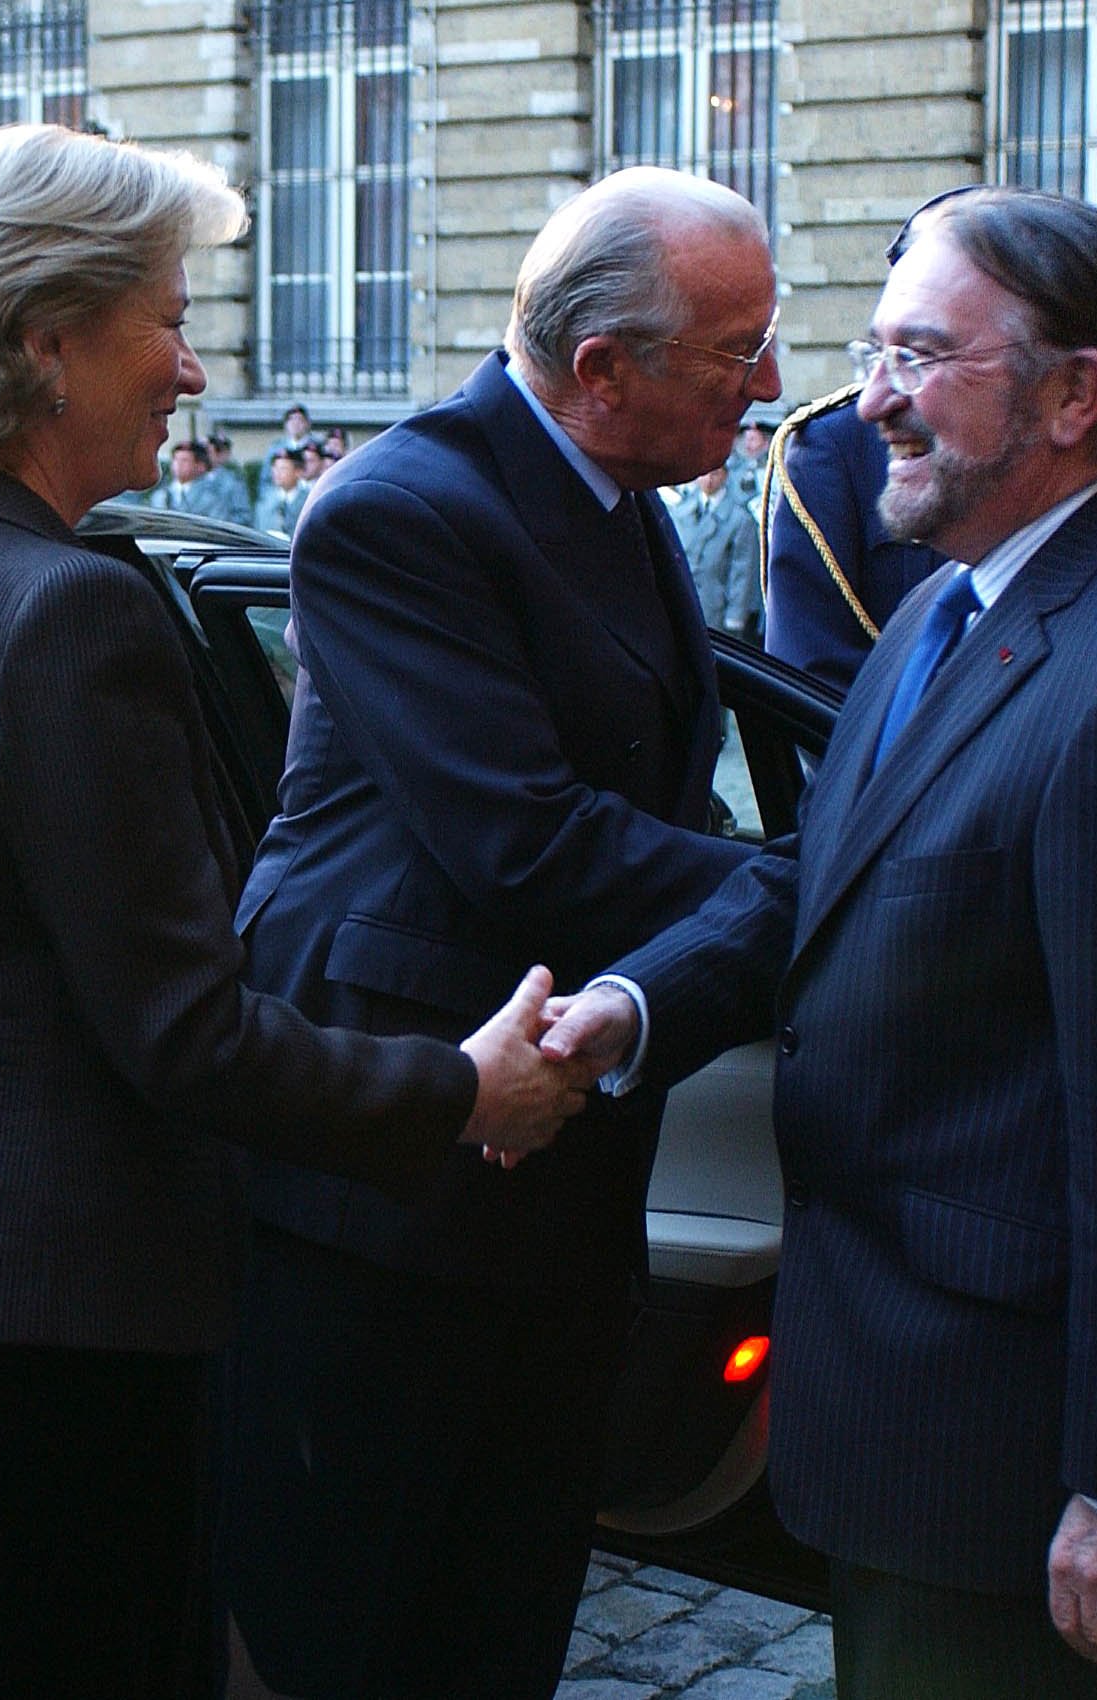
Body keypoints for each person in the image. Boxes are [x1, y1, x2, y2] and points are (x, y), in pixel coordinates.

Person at [0, 123, 584, 1700]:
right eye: (172, 321)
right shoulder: (63, 610)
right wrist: (468, 1086)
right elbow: (184, 1035)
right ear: (50, 341)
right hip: (31, 1330)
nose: (194, 371)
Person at [544, 185, 1097, 1698]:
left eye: (917, 355)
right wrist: (634, 1013)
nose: (868, 400)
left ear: (1075, 393)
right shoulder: (958, 603)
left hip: (1021, 1481)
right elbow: (816, 883)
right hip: (912, 1435)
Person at [214, 165, 779, 1700]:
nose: (774, 383)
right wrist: (805, 888)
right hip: (391, 1179)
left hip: (558, 1159)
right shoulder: (403, 507)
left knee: (505, 1605)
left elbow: (647, 784)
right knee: (360, 1618)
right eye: (740, 351)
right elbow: (526, 839)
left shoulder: (621, 497)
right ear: (605, 374)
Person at [761, 381, 944, 687]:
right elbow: (807, 679)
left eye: (918, 353)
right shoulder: (838, 441)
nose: (872, 404)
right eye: (877, 351)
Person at [671, 459, 762, 639]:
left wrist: (735, 615)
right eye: (704, 473)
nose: (708, 479)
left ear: (725, 475)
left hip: (715, 607)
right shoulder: (682, 508)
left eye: (715, 473)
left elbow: (742, 571)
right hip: (682, 599)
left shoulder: (740, 518)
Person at [151, 436, 220, 515]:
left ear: (201, 466)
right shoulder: (161, 494)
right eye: (175, 459)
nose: (178, 465)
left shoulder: (212, 497)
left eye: (185, 460)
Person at [203, 428, 254, 526]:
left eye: (209, 452)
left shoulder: (233, 482)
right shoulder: (195, 478)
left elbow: (244, 516)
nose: (204, 456)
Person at [254, 445, 306, 538]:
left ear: (298, 472)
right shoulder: (265, 500)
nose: (277, 473)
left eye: (283, 468)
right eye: (275, 468)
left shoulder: (307, 501)